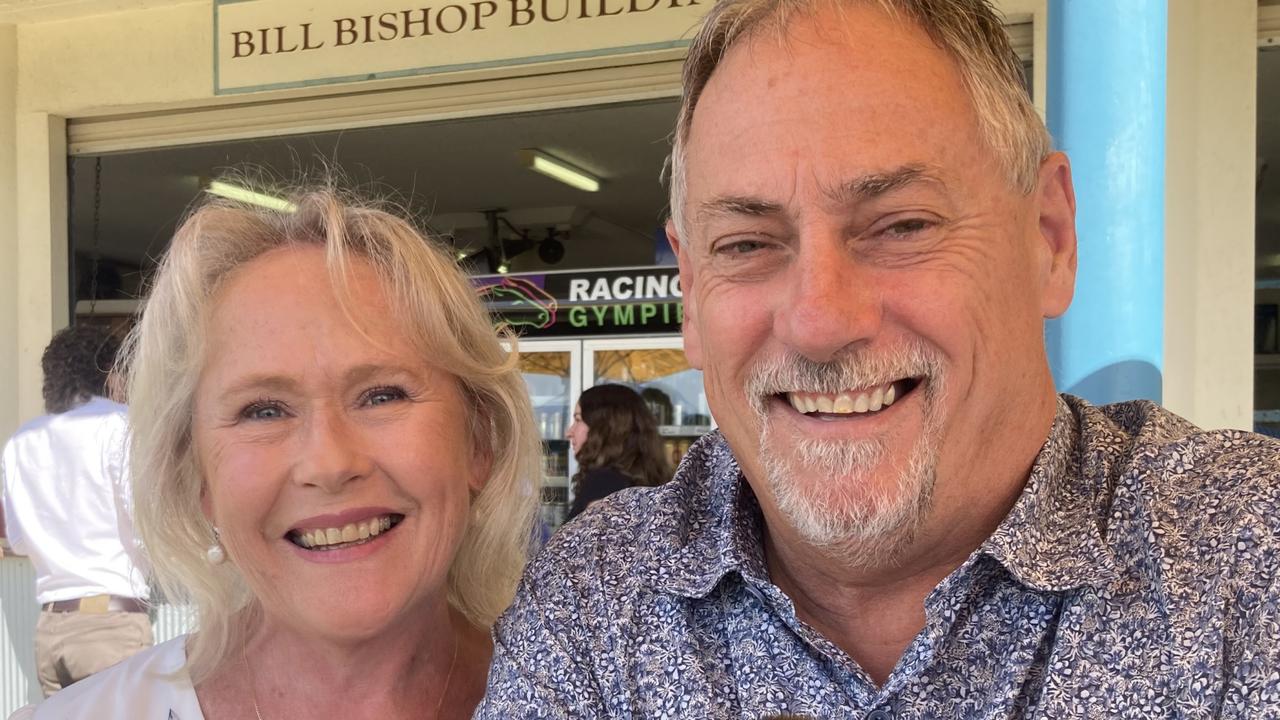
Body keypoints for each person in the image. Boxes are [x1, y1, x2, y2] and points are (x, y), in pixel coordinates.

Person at [477, 1, 1280, 717]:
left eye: (901, 226)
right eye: (748, 244)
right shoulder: (594, 598)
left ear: (1049, 238)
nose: (821, 322)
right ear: (691, 288)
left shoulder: (1245, 560)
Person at [16, 182, 542, 719]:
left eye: (382, 395)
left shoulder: (595, 697)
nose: (330, 464)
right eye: (263, 410)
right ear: (197, 476)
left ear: (479, 441)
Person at [1, 324, 152, 698]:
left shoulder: (22, 441)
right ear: (112, 374)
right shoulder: (121, 426)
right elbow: (146, 525)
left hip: (51, 627)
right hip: (111, 627)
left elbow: (18, 541)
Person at [564, 384, 671, 519]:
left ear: (603, 427)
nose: (569, 432)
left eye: (578, 419)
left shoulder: (604, 484)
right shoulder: (648, 481)